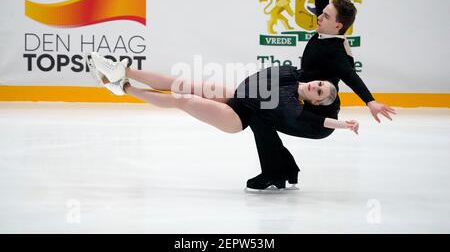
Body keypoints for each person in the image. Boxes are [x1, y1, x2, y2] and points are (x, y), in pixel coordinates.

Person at [245, 0, 397, 190]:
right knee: (258, 113)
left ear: (337, 25)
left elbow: (350, 75)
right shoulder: (327, 32)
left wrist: (370, 101)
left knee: (260, 117)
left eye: (324, 15)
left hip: (316, 119)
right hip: (303, 106)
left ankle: (275, 172)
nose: (318, 16)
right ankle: (285, 170)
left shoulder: (335, 51)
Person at [85, 52, 360, 190]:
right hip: (236, 96)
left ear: (314, 102)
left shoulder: (292, 105)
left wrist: (343, 124)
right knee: (181, 83)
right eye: (321, 84)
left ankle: (124, 88)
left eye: (320, 93)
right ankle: (125, 70)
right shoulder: (291, 74)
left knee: (184, 100)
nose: (317, 87)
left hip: (237, 117)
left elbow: (318, 124)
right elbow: (336, 57)